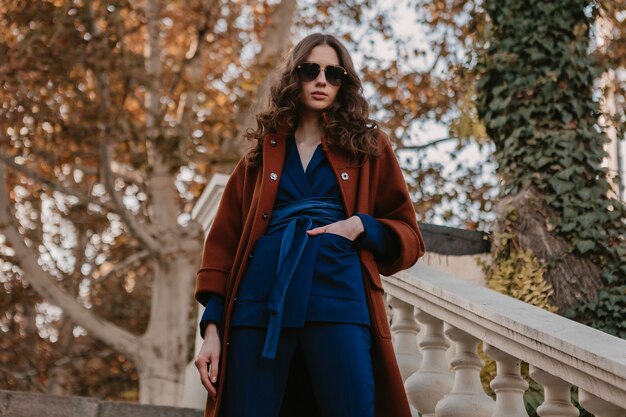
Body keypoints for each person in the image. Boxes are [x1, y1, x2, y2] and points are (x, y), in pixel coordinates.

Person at [194, 33, 425, 417]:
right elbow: (223, 248)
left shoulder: (369, 148)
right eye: (310, 70)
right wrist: (213, 331)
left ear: (344, 83)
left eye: (333, 73)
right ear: (293, 77)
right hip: (259, 302)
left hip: (339, 294)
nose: (321, 80)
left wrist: (358, 226)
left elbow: (410, 236)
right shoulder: (257, 159)